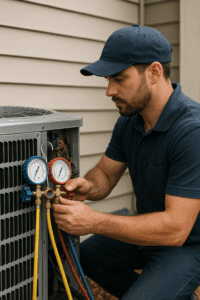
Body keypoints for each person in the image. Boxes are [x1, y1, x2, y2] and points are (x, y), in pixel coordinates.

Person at [52, 25, 200, 299]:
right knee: (80, 257)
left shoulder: (192, 131)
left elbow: (176, 229)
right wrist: (88, 185)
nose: (109, 90)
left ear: (154, 72)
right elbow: (106, 175)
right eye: (108, 79)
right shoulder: (130, 121)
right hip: (147, 230)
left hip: (188, 244)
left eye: (119, 78)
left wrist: (93, 222)